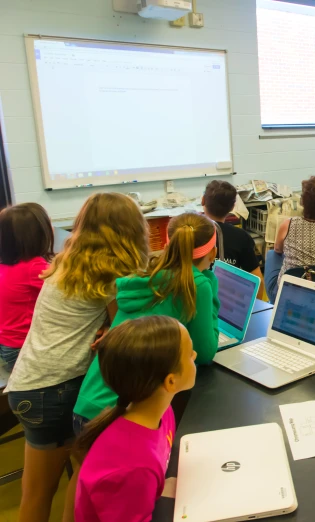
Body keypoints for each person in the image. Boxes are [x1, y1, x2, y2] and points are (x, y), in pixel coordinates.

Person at [6, 193, 149, 522]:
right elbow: (125, 328)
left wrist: (104, 329)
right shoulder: (112, 274)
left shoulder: (68, 261)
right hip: (53, 390)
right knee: (43, 493)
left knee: (74, 479)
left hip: (30, 384)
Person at [74, 212, 219, 429]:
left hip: (89, 405)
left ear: (167, 243)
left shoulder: (144, 274)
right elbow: (206, 352)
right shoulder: (198, 285)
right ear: (213, 252)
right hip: (120, 416)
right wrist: (211, 285)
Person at [74, 315, 196, 522]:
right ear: (171, 381)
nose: (195, 355)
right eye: (189, 355)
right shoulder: (133, 469)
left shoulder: (163, 413)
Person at [0, 203, 54, 372]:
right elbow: (67, 293)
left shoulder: (5, 265)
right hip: (23, 347)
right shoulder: (34, 267)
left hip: (7, 345)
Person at [202, 180, 263, 297]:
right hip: (227, 299)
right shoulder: (241, 237)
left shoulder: (191, 232)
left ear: (203, 200)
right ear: (233, 207)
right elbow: (257, 280)